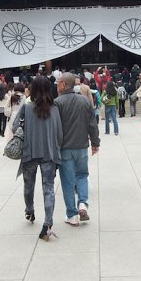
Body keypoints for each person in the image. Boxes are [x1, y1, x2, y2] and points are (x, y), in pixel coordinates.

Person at [13, 75, 63, 241]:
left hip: (30, 153)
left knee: (29, 185)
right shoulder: (55, 109)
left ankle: (30, 210)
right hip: (49, 154)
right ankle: (48, 223)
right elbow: (59, 135)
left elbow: (15, 127)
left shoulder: (27, 108)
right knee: (48, 188)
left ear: (32, 90)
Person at [55, 73, 100, 226]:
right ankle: (83, 203)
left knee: (67, 181)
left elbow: (54, 128)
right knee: (82, 175)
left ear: (63, 84)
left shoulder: (57, 103)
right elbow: (92, 123)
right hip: (82, 145)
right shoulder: (84, 101)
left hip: (65, 148)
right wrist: (95, 142)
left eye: (58, 82)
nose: (56, 85)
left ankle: (72, 215)